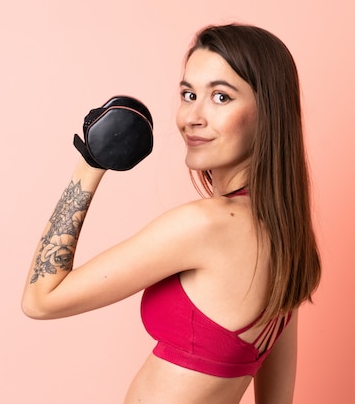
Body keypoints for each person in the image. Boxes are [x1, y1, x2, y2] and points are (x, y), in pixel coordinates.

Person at [21, 23, 321, 404]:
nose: (191, 117)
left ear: (269, 112)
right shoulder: (286, 235)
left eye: (221, 98)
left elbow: (41, 299)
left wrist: (91, 162)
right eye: (189, 94)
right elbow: (278, 398)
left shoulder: (207, 225)